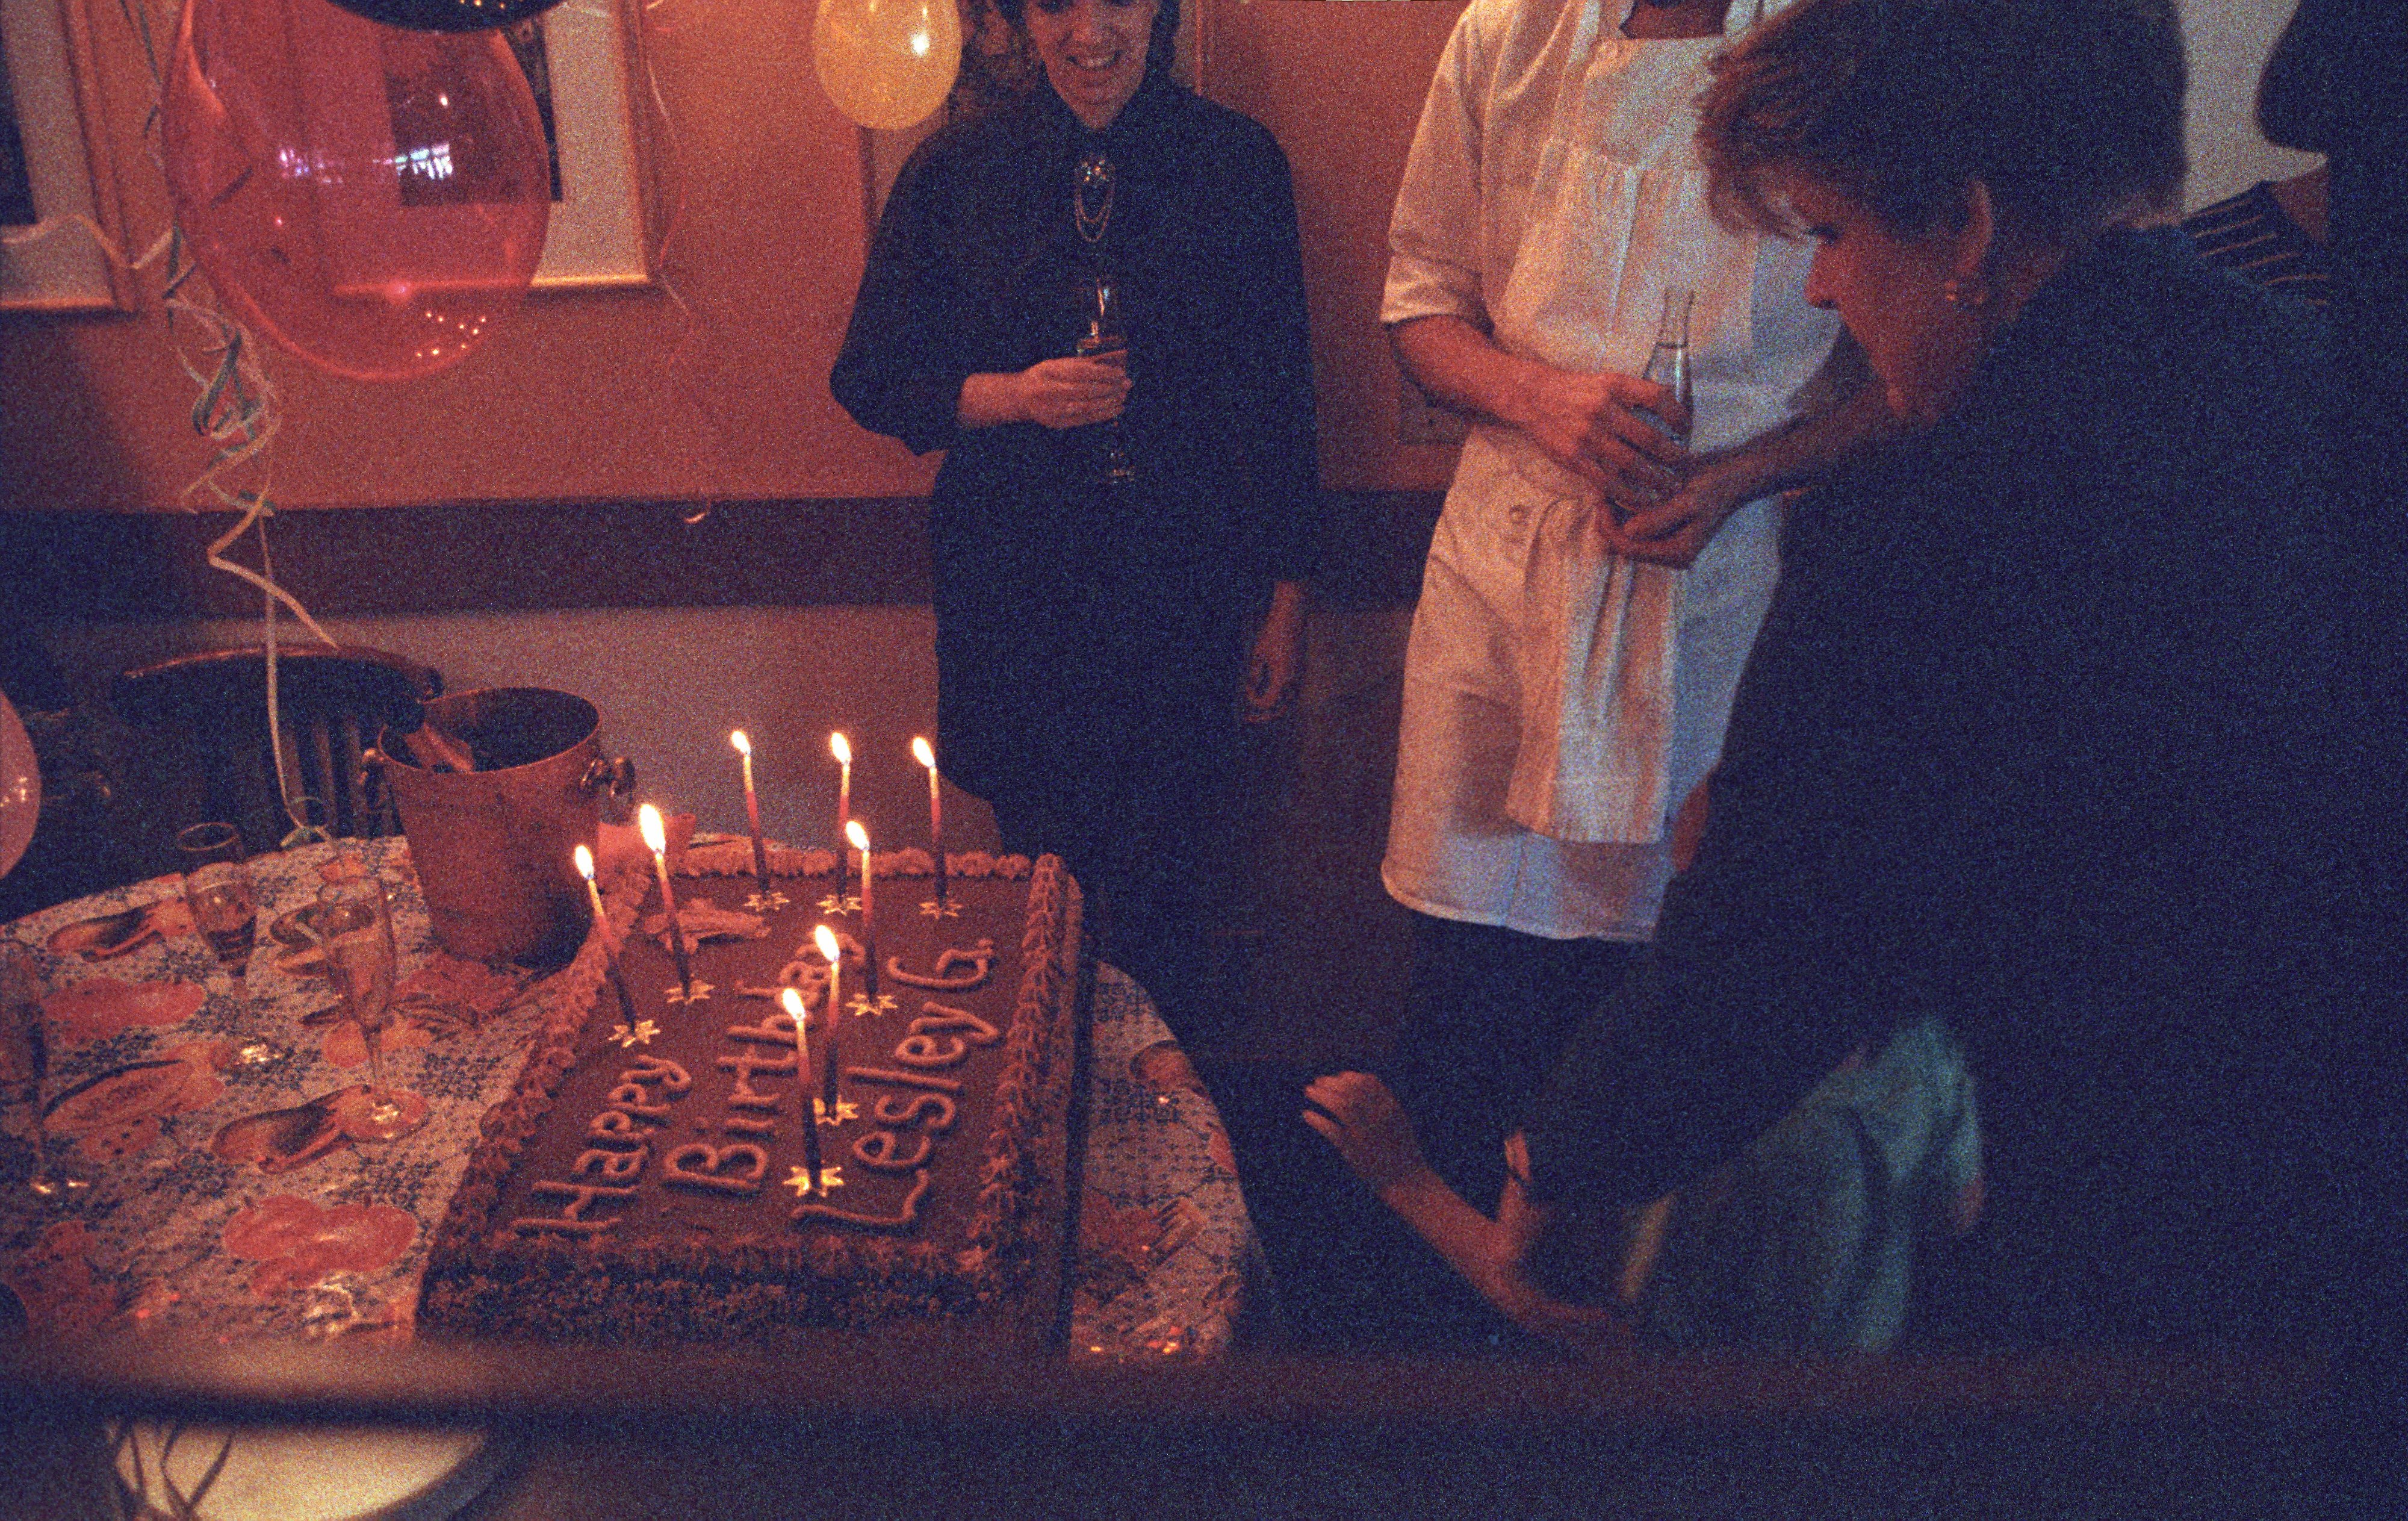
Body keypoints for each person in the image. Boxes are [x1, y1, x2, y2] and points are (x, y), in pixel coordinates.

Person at [1317, 0, 2390, 1357]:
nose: (1819, 288)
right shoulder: (2316, 377)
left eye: (1830, 231)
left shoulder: (1920, 522)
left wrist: (1557, 1162)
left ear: (1969, 231)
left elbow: (1765, 939)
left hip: (2134, 1203)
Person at [1374, 0, 1898, 1208]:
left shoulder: (1835, 46)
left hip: (1725, 591)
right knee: (1469, 984)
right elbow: (1419, 304)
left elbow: (1902, 377)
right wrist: (1539, 397)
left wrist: (1741, 475)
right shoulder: (1507, 35)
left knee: (1667, 987)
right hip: (1511, 577)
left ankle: (1621, 1304)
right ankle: (1451, 1282)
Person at [830, 0, 1319, 1039]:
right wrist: (1011, 396)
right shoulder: (955, 169)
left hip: (1182, 594)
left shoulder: (1237, 164)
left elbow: (1280, 394)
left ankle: (1168, 1127)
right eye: (1058, 2)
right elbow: (869, 376)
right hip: (1019, 598)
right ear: (1020, 17)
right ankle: (1045, 1115)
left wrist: (1287, 597)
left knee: (1172, 902)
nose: (1090, 30)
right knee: (1043, 903)